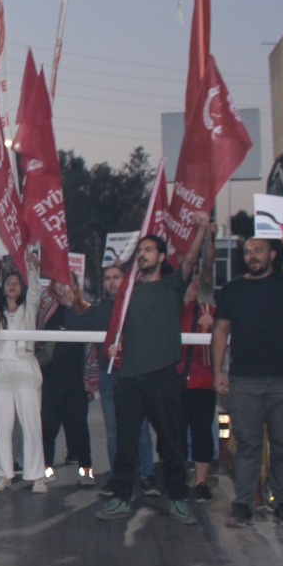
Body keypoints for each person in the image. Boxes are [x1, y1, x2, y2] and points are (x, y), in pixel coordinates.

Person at [96, 217, 212, 524]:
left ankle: (176, 498)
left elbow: (189, 259)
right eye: (141, 250)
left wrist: (200, 230)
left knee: (171, 443)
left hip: (163, 377)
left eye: (149, 250)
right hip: (129, 379)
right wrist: (113, 345)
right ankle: (121, 497)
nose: (143, 254)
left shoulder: (172, 287)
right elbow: (115, 328)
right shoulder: (126, 292)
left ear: (161, 257)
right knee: (126, 442)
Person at [212, 230, 283, 529]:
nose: (253, 256)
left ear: (272, 255)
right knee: (248, 446)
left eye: (259, 250)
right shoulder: (232, 290)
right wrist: (217, 371)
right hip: (245, 381)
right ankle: (243, 504)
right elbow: (221, 331)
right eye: (248, 251)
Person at [80, 261, 156, 495]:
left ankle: (147, 475)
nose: (112, 282)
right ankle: (118, 476)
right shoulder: (96, 311)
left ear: (125, 280)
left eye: (116, 277)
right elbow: (76, 326)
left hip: (135, 374)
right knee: (113, 429)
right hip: (108, 375)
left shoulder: (138, 305)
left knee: (140, 428)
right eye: (108, 278)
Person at [0, 251, 47, 492]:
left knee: (31, 424)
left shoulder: (29, 309)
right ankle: (4, 474)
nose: (12, 286)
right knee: (2, 426)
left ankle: (37, 476)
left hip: (25, 367)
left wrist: (31, 266)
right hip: (1, 371)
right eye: (8, 283)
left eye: (16, 283)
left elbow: (35, 291)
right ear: (3, 288)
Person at [40, 280, 95, 487]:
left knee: (79, 425)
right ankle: (46, 469)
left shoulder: (84, 310)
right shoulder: (46, 308)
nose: (65, 287)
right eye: (61, 282)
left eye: (69, 283)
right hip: (50, 377)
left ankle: (86, 470)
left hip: (75, 378)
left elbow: (90, 347)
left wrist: (90, 380)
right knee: (48, 426)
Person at [177, 277, 218, 501]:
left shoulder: (210, 310)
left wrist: (213, 326)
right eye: (188, 282)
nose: (192, 286)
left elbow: (221, 341)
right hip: (177, 380)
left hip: (203, 381)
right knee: (176, 432)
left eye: (195, 281)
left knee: (202, 432)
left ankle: (201, 481)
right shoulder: (172, 311)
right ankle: (179, 478)